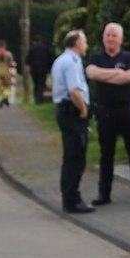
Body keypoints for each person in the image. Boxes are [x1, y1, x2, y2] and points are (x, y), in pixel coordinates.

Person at [85, 22, 130, 205]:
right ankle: (104, 194)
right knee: (106, 154)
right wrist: (117, 73)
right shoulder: (96, 57)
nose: (110, 39)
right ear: (103, 38)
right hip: (105, 111)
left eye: (114, 36)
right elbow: (92, 74)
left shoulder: (128, 57)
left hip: (126, 110)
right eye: (108, 35)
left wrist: (105, 75)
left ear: (121, 39)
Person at [50, 29, 94, 214]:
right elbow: (74, 91)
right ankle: (72, 199)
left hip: (65, 112)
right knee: (76, 157)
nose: (86, 46)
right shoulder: (71, 62)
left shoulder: (61, 59)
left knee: (70, 156)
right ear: (76, 43)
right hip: (72, 112)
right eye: (84, 42)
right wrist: (83, 109)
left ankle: (68, 197)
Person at [25, 37, 54, 104]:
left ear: (34, 41)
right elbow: (50, 59)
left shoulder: (31, 49)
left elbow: (27, 60)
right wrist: (49, 69)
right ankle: (40, 99)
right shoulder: (45, 48)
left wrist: (28, 69)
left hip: (34, 69)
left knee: (36, 84)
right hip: (43, 69)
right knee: (41, 84)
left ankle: (36, 99)